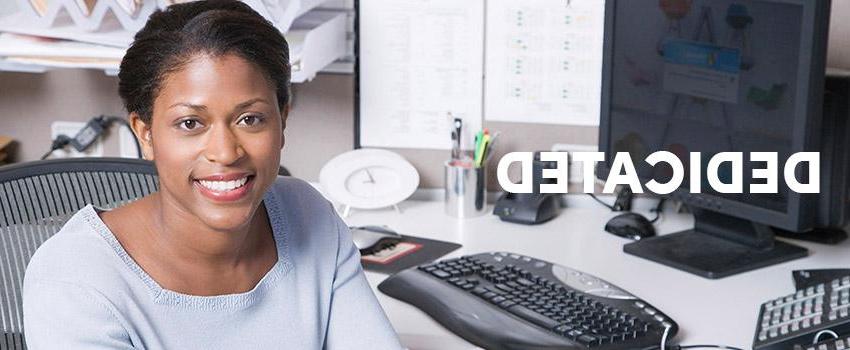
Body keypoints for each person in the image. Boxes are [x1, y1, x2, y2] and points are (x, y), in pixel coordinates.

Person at [22, 1, 402, 349]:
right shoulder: (76, 282)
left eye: (250, 119)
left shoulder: (309, 213)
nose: (225, 152)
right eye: (190, 123)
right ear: (146, 133)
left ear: (282, 120)